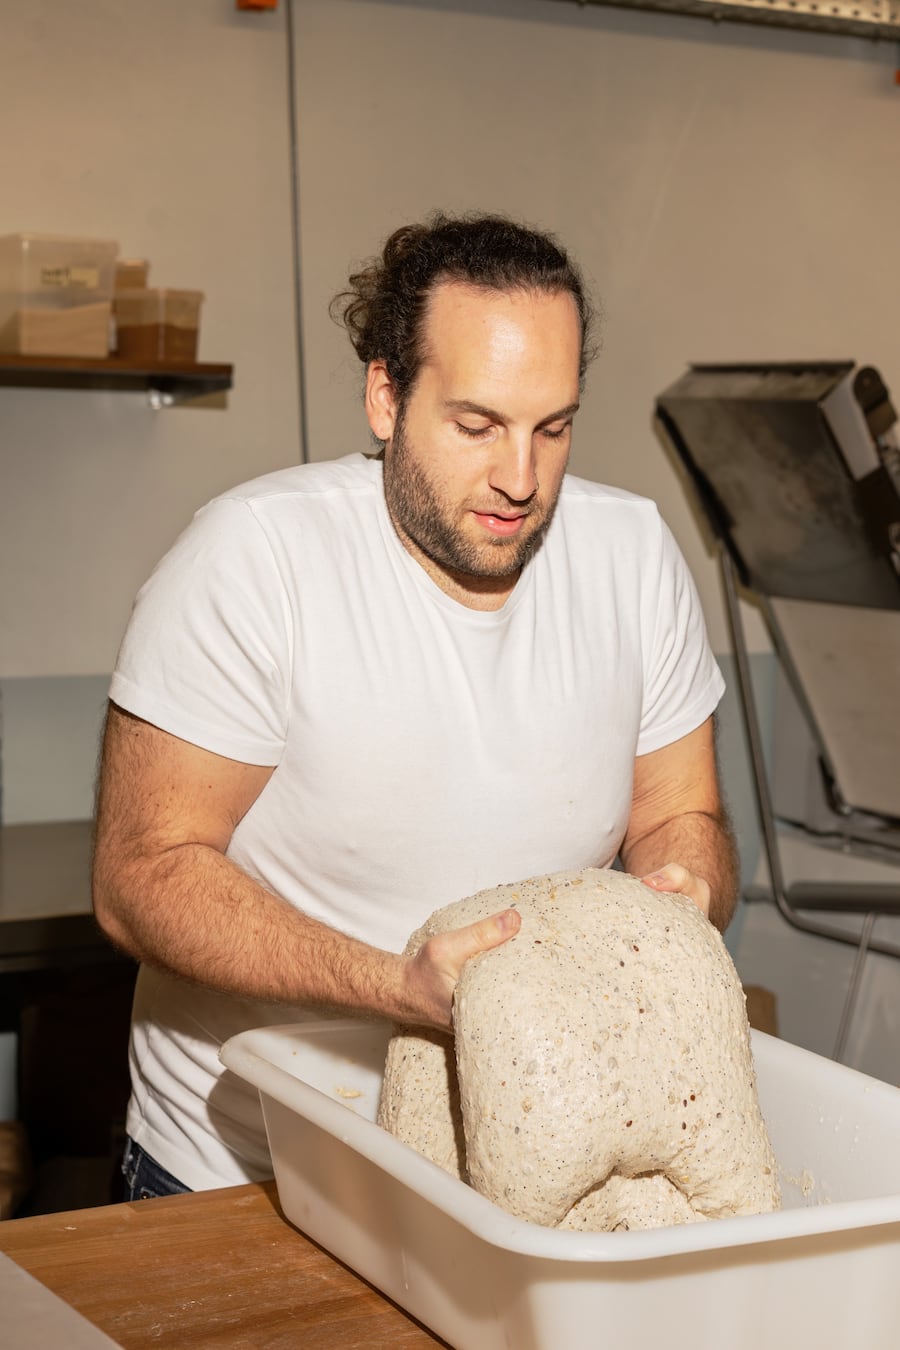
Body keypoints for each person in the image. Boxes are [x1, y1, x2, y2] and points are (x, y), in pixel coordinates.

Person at [92, 212, 738, 1201]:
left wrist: (681, 891)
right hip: (246, 1172)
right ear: (385, 397)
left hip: (509, 1177)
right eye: (477, 425)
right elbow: (142, 877)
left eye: (552, 427)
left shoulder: (633, 556)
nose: (520, 480)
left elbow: (679, 816)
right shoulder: (253, 562)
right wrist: (395, 986)